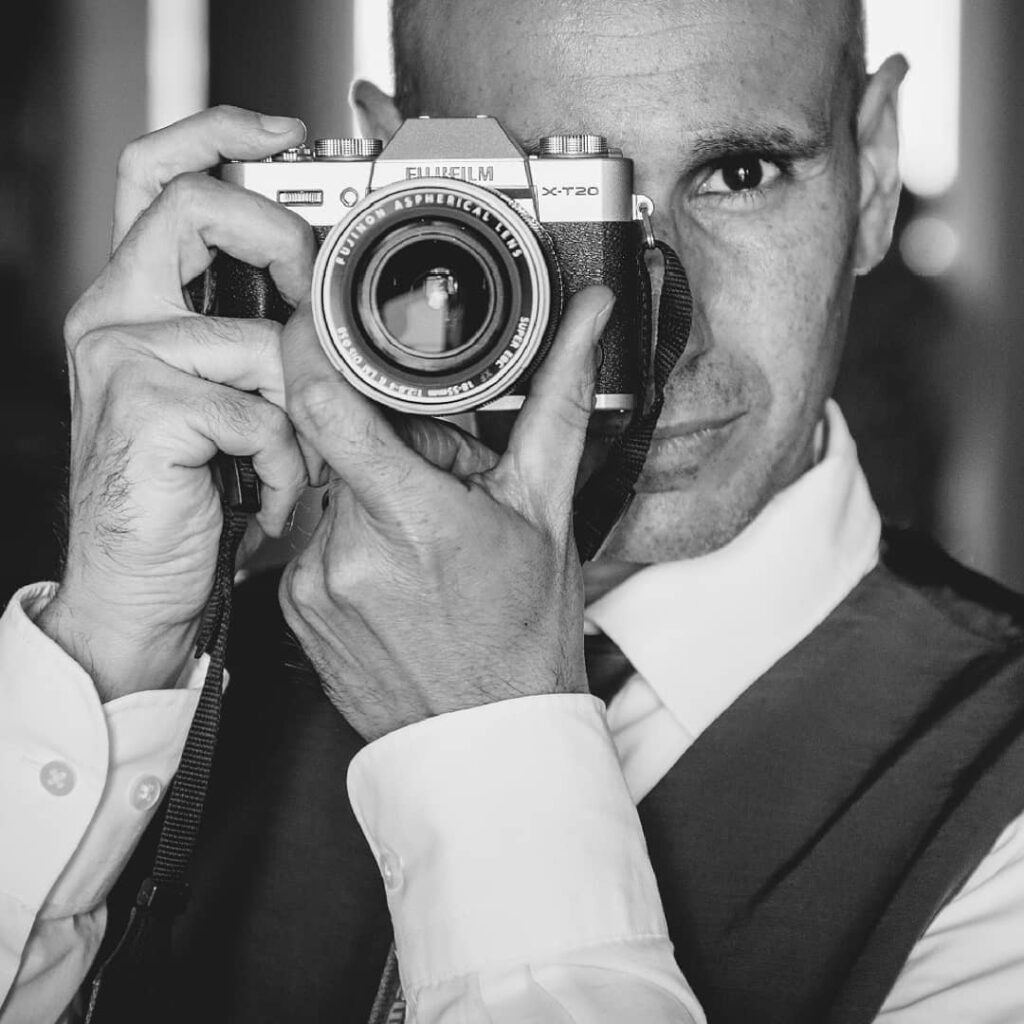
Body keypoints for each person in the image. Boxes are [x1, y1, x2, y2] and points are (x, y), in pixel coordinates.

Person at [2, 0, 1024, 1021]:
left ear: (874, 171)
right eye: (551, 194)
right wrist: (104, 649)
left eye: (742, 174)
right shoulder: (190, 678)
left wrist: (487, 727)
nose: (662, 336)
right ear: (391, 182)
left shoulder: (997, 793)